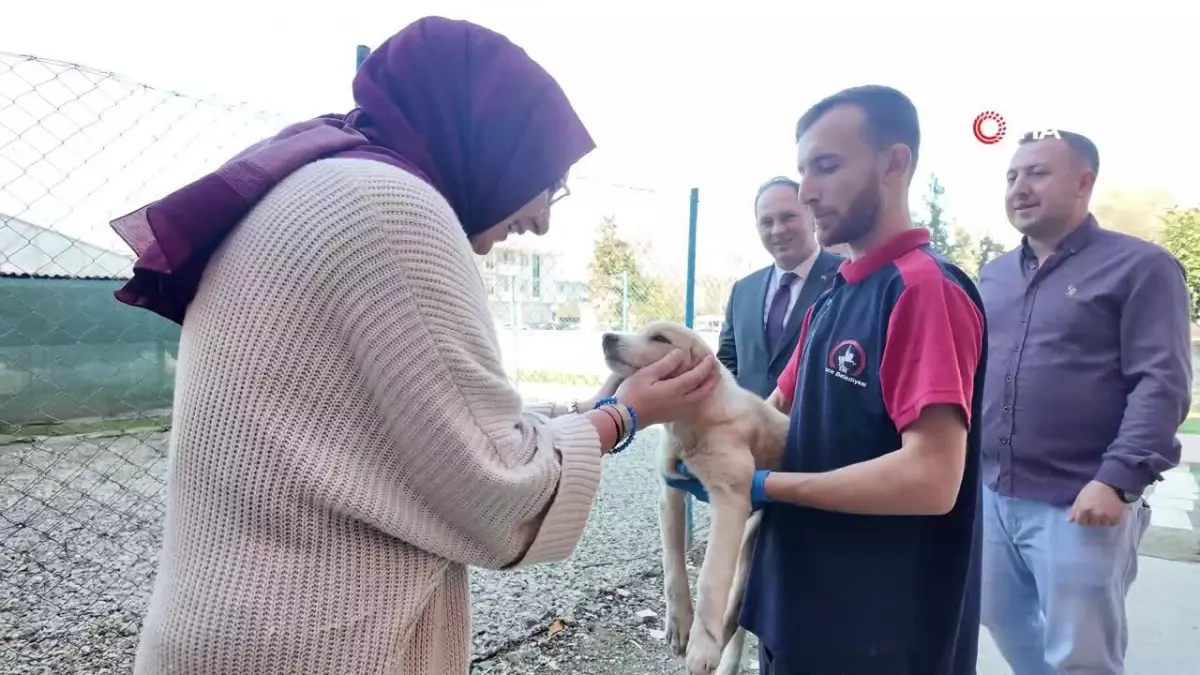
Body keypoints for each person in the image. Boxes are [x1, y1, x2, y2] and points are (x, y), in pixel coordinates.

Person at [110, 17, 719, 675]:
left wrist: (586, 407)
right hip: (311, 647)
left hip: (235, 635)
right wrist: (620, 417)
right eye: (547, 177)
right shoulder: (394, 211)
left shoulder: (320, 181)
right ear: (488, 136)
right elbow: (498, 492)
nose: (543, 218)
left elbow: (424, 431)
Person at [668, 85, 986, 674]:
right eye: (802, 170)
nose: (808, 189)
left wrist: (767, 486)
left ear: (895, 164)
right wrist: (689, 431)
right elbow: (766, 411)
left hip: (880, 632)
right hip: (801, 611)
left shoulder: (922, 290)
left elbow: (932, 477)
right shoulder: (834, 297)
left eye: (827, 166)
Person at [977, 130, 1192, 675]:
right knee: (998, 619)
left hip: (1082, 501)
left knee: (1082, 655)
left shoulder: (1141, 266)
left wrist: (1118, 478)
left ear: (1084, 181)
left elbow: (1161, 381)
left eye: (1037, 173)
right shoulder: (994, 276)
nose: (1019, 187)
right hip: (992, 493)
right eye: (1011, 176)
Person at [716, 177, 842, 399]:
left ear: (812, 218)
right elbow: (726, 367)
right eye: (766, 222)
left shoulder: (847, 279)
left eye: (788, 217)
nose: (777, 230)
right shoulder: (743, 291)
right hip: (751, 430)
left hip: (817, 429)